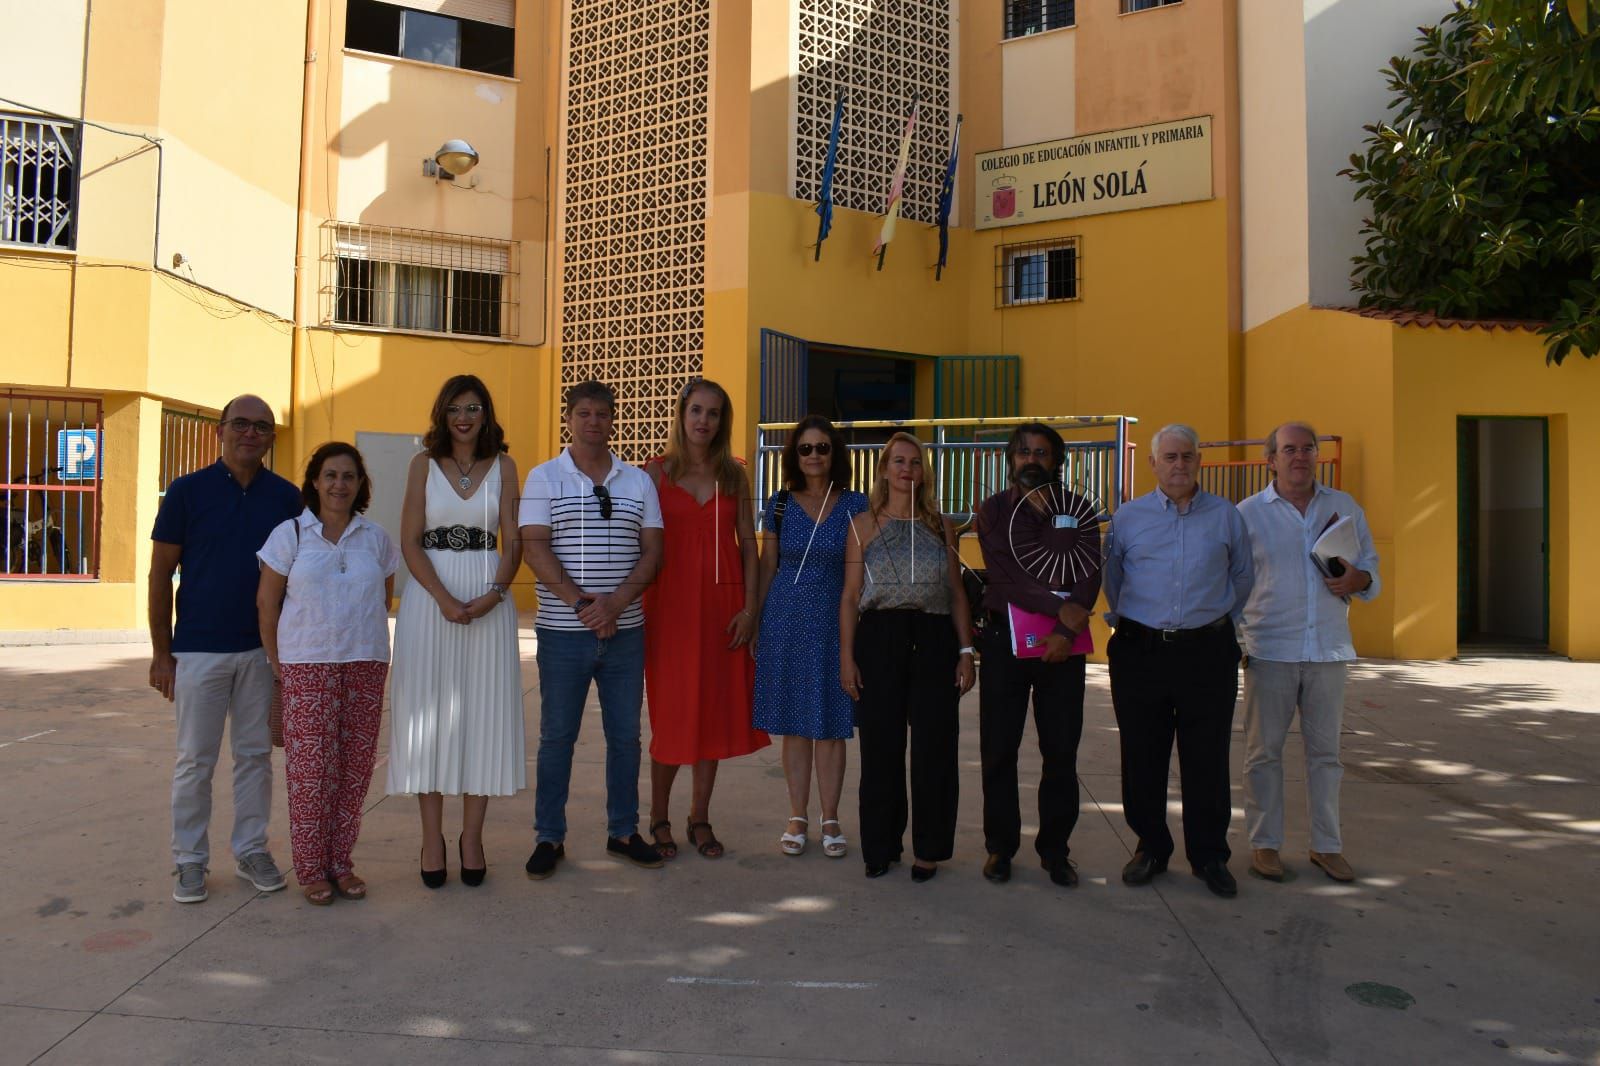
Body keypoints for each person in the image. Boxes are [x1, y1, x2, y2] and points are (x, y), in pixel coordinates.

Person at [149, 394, 302, 904]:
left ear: (271, 437)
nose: (251, 433)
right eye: (241, 423)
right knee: (195, 760)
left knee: (255, 757)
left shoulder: (286, 498)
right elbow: (159, 575)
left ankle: (251, 850)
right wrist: (161, 652)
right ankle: (189, 861)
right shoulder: (186, 492)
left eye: (262, 426)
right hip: (197, 650)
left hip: (262, 651)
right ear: (220, 430)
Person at [520, 380, 665, 878]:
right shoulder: (543, 478)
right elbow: (535, 547)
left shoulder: (638, 481)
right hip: (564, 633)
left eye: (602, 414)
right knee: (557, 737)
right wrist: (584, 604)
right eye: (584, 413)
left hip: (626, 633)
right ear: (570, 418)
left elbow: (653, 552)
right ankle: (549, 838)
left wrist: (617, 604)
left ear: (612, 419)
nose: (594, 422)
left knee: (625, 738)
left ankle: (624, 831)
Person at [1104, 423, 1254, 899]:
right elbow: (1114, 579)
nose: (1178, 465)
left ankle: (1209, 856)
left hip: (1206, 652)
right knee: (1142, 754)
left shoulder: (1226, 516)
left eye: (1187, 456)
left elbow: (1243, 578)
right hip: (1140, 650)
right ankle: (1150, 846)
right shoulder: (1128, 518)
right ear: (1153, 464)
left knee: (1206, 756)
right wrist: (1141, 626)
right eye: (1169, 457)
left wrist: (1207, 623)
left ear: (1198, 460)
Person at [387, 375, 524, 889]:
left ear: (486, 413)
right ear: (441, 415)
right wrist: (444, 598)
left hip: (489, 597)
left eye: (473, 408)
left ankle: (471, 837)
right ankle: (431, 839)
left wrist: (494, 594)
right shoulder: (422, 464)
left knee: (482, 716)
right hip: (431, 600)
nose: (463, 417)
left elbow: (512, 541)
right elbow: (409, 540)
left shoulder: (507, 466)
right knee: (427, 716)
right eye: (453, 409)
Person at [257, 442, 400, 904]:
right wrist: (277, 660)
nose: (340, 484)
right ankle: (311, 867)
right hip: (307, 664)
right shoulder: (290, 535)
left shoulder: (376, 539)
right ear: (315, 482)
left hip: (365, 662)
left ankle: (341, 861)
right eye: (331, 475)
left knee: (354, 770)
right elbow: (267, 602)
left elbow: (383, 598)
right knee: (310, 772)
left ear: (360, 486)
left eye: (349, 477)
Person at [1237, 422, 1380, 884]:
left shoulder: (1344, 507)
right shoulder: (1247, 515)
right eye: (1289, 450)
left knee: (1326, 755)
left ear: (1317, 456)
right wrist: (1239, 641)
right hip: (1270, 650)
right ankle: (1265, 845)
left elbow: (1371, 569)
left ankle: (1327, 846)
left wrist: (1359, 580)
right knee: (1264, 755)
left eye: (1307, 449)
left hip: (1328, 650)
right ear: (1270, 460)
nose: (1299, 457)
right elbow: (1234, 584)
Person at [641, 380, 768, 861]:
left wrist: (751, 609)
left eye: (714, 413)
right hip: (669, 611)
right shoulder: (654, 472)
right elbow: (638, 543)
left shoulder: (734, 476)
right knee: (672, 717)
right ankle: (658, 816)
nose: (704, 421)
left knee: (711, 714)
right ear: (682, 413)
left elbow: (749, 548)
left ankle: (700, 816)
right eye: (696, 410)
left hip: (722, 610)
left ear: (722, 422)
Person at [840, 433, 976, 882]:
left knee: (935, 746)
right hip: (879, 637)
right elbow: (851, 596)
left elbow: (957, 594)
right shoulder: (863, 525)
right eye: (898, 461)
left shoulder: (942, 526)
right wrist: (847, 656)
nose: (906, 469)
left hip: (935, 638)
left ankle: (929, 848)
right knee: (881, 748)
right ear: (883, 469)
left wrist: (965, 651)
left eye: (915, 462)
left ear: (924, 472)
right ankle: (880, 846)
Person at [974, 423, 1102, 887]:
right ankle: (1000, 848)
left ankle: (1055, 851)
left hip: (1063, 648)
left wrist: (1066, 629)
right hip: (1004, 645)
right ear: (1011, 460)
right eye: (1024, 452)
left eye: (1042, 453)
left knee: (1061, 752)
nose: (1032, 459)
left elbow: (1089, 574)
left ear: (1057, 462)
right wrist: (1059, 607)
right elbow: (1005, 579)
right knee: (999, 750)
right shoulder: (990, 512)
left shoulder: (1080, 510)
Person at [753, 416, 869, 859]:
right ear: (794, 456)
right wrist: (758, 621)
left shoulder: (856, 503)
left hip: (836, 618)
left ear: (834, 453)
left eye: (822, 447)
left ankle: (832, 816)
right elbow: (768, 565)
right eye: (805, 449)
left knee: (832, 723)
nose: (814, 455)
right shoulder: (779, 503)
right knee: (795, 726)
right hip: (785, 618)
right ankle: (797, 815)